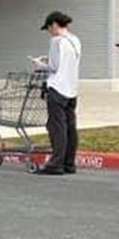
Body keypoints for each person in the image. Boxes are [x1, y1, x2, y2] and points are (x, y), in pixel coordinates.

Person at [35, 12, 81, 176]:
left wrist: (40, 64)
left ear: (54, 25)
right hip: (71, 89)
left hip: (57, 88)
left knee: (56, 127)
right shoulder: (75, 40)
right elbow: (66, 62)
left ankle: (55, 163)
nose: (49, 32)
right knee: (70, 127)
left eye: (48, 28)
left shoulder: (56, 41)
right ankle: (69, 163)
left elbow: (54, 67)